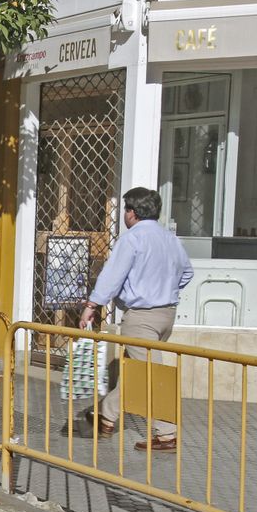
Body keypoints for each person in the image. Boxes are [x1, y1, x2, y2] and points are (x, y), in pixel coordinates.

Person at [73, 187, 193, 450]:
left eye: (126, 209)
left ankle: (167, 434)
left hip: (141, 318)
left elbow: (112, 276)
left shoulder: (132, 239)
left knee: (150, 375)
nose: (125, 215)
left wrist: (92, 305)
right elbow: (187, 273)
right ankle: (106, 415)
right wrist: (165, 290)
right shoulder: (170, 238)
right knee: (136, 371)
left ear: (132, 212)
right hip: (167, 315)